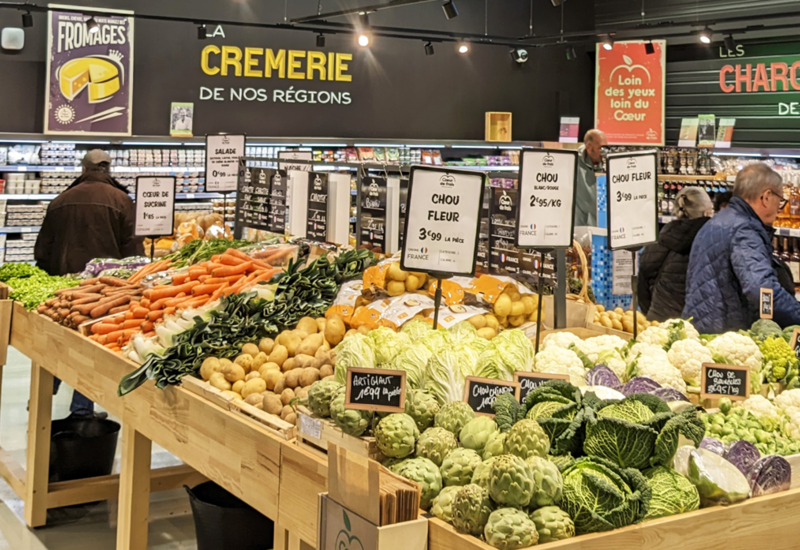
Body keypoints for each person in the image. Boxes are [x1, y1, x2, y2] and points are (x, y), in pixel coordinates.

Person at [34, 149, 143, 418]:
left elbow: (42, 249)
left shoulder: (61, 200)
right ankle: (82, 409)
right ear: (108, 169)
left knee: (60, 338)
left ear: (83, 169)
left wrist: (50, 279)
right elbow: (132, 248)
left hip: (66, 286)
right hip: (102, 291)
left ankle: (45, 390)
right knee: (90, 342)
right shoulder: (121, 199)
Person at [684, 163, 800, 333]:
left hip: (705, 328)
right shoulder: (744, 230)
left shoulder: (718, 221)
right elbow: (761, 290)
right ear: (766, 197)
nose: (779, 207)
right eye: (780, 200)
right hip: (725, 334)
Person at [638, 187, 713, 322]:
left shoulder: (658, 241)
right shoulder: (711, 244)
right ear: (707, 212)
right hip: (696, 326)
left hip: (659, 320)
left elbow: (642, 288)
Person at [574, 129, 607, 227]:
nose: (604, 152)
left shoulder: (608, 163)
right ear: (589, 148)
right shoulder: (573, 163)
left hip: (603, 225)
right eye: (601, 148)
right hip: (579, 227)